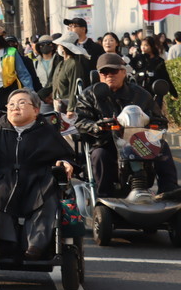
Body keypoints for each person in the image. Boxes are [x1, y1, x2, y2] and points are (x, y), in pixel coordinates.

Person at [0, 89, 75, 259]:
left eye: (22, 103)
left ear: (36, 110)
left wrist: (65, 162)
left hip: (38, 177)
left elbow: (65, 154)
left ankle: (36, 245)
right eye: (11, 104)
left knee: (47, 197)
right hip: (5, 176)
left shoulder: (45, 130)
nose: (15, 107)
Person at [74, 53, 179, 199]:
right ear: (99, 75)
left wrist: (153, 122)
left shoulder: (140, 94)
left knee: (161, 145)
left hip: (138, 141)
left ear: (123, 72)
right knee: (99, 154)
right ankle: (104, 197)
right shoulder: (88, 95)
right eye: (104, 72)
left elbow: (159, 119)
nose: (109, 75)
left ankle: (169, 189)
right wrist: (98, 126)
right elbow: (80, 122)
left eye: (113, 71)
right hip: (106, 142)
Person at [0, 24, 34, 119]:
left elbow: (23, 73)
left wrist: (30, 92)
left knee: (11, 117)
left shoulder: (11, 51)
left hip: (10, 90)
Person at [50, 32, 88, 113]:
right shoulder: (61, 63)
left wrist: (71, 108)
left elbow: (74, 87)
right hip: (58, 103)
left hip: (67, 105)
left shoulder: (73, 64)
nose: (58, 48)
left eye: (59, 45)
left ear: (64, 48)